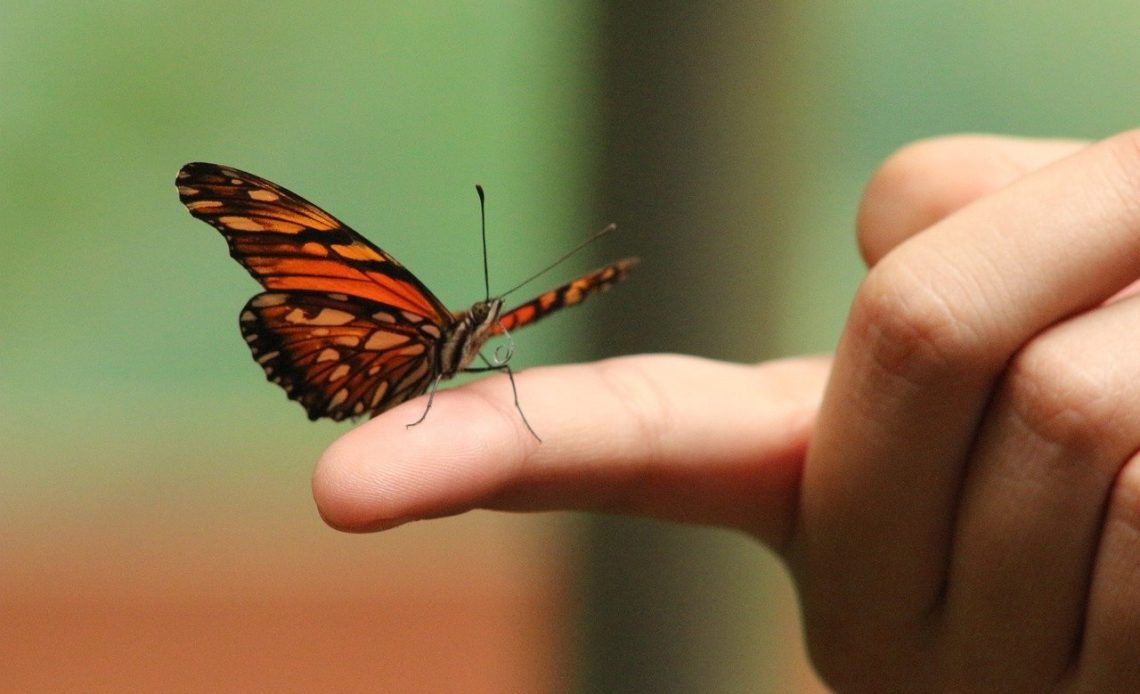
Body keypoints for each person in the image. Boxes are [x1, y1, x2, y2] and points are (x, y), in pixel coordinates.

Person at [312, 131, 1140, 691]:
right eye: (487, 324)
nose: (492, 325)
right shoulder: (410, 318)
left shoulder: (492, 334)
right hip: (348, 353)